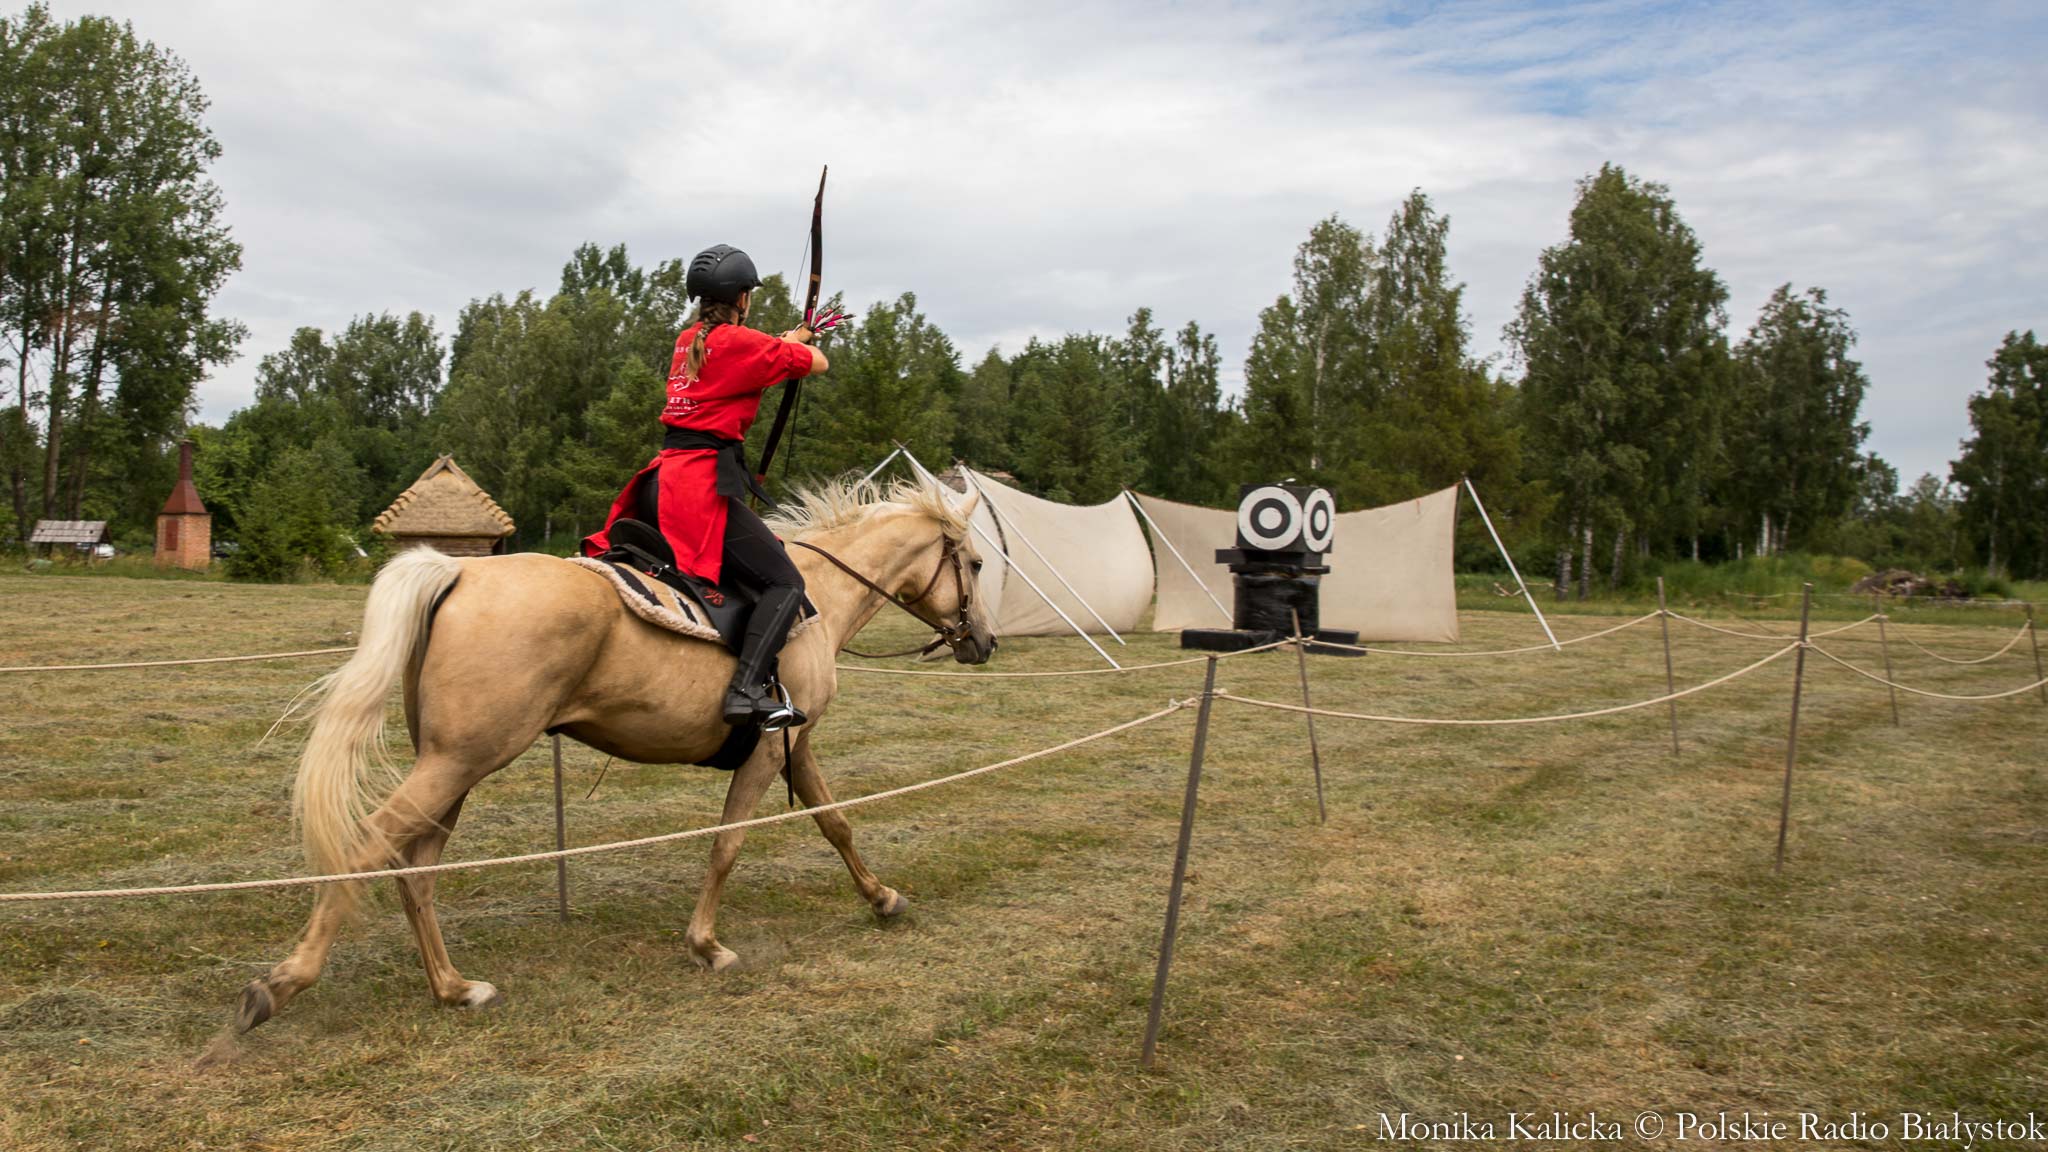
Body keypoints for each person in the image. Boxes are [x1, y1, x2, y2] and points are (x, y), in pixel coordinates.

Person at [582, 244, 828, 730]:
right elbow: (815, 362)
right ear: (742, 297)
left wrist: (785, 340)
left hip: (662, 479)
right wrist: (803, 342)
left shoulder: (688, 339)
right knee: (785, 582)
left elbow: (749, 357)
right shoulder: (741, 343)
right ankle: (745, 691)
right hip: (696, 486)